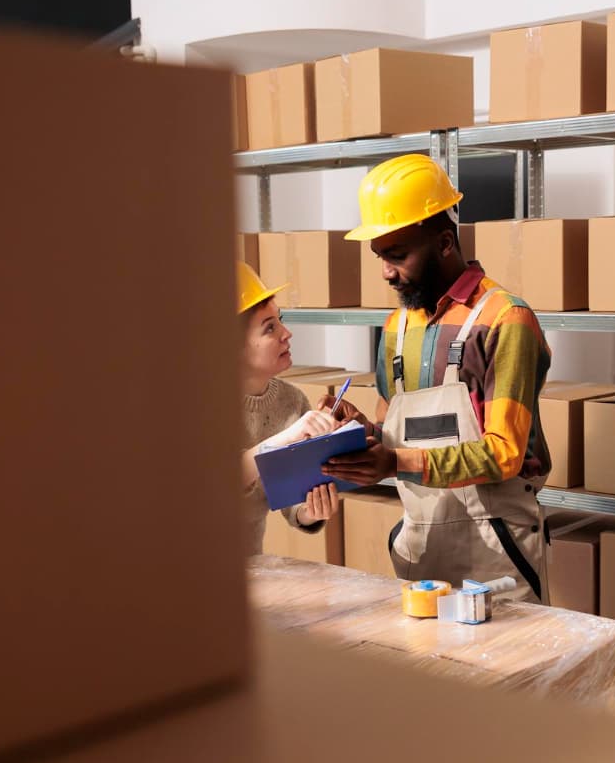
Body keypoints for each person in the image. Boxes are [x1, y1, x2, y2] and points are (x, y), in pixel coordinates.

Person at [320, 154, 553, 602]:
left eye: (398, 255)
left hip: (496, 552)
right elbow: (393, 436)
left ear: (445, 243)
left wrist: (393, 463)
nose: (387, 271)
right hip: (421, 551)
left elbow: (504, 454)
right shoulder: (395, 327)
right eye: (379, 256)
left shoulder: (507, 320)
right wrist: (357, 433)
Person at [236, 261, 340, 557]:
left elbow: (293, 503)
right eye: (270, 328)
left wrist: (312, 509)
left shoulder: (292, 404)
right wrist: (287, 439)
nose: (286, 333)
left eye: (280, 320)